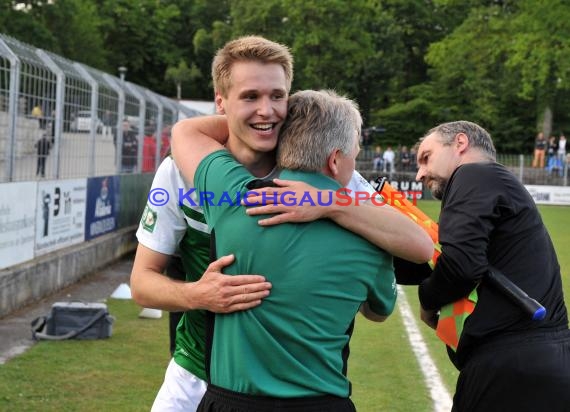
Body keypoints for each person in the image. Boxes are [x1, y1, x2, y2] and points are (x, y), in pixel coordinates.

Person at [133, 35, 431, 412]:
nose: (268, 110)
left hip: (292, 388)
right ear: (220, 101)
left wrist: (326, 203)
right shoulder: (179, 171)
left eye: (278, 96)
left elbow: (417, 244)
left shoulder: (327, 171)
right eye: (250, 97)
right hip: (195, 374)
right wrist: (198, 295)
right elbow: (142, 282)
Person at [175, 89, 397, 412]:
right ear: (335, 161)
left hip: (231, 402)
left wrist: (256, 122)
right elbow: (379, 311)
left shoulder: (235, 197)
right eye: (355, 152)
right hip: (321, 403)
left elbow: (186, 131)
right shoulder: (374, 234)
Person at [414, 120, 570, 411]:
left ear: (460, 144)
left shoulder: (474, 174)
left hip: (513, 366)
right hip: (534, 360)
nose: (420, 173)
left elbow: (461, 265)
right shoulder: (494, 182)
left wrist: (426, 300)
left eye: (426, 157)